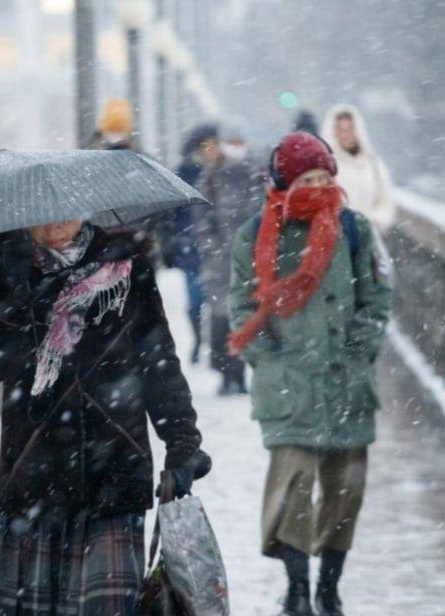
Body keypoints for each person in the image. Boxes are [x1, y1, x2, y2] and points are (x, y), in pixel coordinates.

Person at [0, 218, 211, 615]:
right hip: (34, 476)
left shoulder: (127, 267)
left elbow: (157, 360)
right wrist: (17, 293)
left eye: (67, 209)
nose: (56, 220)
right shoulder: (2, 271)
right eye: (41, 213)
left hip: (115, 466)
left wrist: (182, 443)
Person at [227, 132, 391, 616]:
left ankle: (329, 587)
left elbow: (378, 299)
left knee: (346, 491)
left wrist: (358, 349)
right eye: (306, 179)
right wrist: (270, 359)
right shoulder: (255, 235)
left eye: (324, 177)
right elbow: (241, 305)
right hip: (287, 384)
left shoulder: (356, 230)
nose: (318, 187)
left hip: (346, 380)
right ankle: (297, 588)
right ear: (284, 181)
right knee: (291, 488)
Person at [193, 124, 263, 395]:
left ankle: (240, 372)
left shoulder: (257, 175)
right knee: (221, 318)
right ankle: (224, 373)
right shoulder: (210, 178)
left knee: (246, 318)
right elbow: (201, 221)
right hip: (219, 264)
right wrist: (215, 249)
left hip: (251, 262)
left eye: (238, 141)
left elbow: (264, 213)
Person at [167, 122, 220, 364]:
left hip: (216, 249)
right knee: (195, 301)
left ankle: (215, 344)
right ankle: (199, 340)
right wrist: (177, 239)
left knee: (218, 303)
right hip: (191, 248)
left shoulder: (222, 174)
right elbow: (173, 214)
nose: (210, 149)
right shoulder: (184, 173)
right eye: (206, 145)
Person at [322, 104, 396, 230]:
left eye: (350, 128)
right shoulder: (326, 166)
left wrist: (374, 221)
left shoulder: (374, 165)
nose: (346, 135)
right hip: (338, 240)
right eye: (341, 129)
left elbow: (386, 201)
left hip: (369, 237)